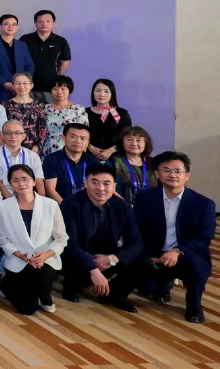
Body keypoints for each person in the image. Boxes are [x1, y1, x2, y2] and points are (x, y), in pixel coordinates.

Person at [134, 152, 216, 323]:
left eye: (178, 171)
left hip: (186, 253)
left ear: (187, 175)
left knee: (196, 266)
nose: (172, 175)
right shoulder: (144, 198)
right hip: (154, 251)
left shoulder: (203, 204)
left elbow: (204, 237)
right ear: (157, 174)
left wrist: (177, 251)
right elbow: (138, 230)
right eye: (167, 170)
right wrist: (147, 255)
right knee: (148, 288)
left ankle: (194, 306)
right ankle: (163, 284)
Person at [59, 163, 142, 312]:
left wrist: (113, 258)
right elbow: (69, 244)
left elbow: (135, 241)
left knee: (142, 259)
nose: (101, 188)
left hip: (107, 256)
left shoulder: (123, 206)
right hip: (79, 256)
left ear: (114, 186)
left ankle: (115, 294)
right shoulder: (71, 204)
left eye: (106, 183)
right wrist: (93, 269)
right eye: (95, 182)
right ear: (86, 183)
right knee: (73, 262)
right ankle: (72, 284)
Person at [0, 164, 68, 315]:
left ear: (34, 181)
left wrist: (46, 255)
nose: (21, 184)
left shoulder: (50, 205)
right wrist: (18, 254)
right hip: (18, 259)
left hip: (46, 259)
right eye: (15, 180)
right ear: (10, 184)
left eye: (25, 179)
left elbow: (61, 238)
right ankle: (6, 285)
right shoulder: (4, 206)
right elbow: (2, 238)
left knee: (41, 277)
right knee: (28, 309)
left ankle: (44, 294)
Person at [0, 121, 46, 200]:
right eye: (9, 133)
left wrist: (42, 201)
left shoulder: (33, 156)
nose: (13, 136)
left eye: (18, 133)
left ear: (24, 136)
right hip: (5, 199)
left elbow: (39, 182)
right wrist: (14, 203)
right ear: (3, 135)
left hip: (29, 198)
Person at [20, 10, 72, 102]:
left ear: (54, 23)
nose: (44, 24)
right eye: (40, 21)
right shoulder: (25, 39)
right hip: (27, 87)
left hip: (50, 87)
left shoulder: (61, 41)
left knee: (50, 110)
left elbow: (65, 62)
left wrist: (58, 79)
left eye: (48, 21)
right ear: (35, 23)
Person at [43, 123, 100, 201]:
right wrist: (66, 207)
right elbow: (50, 190)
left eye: (83, 138)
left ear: (88, 142)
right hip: (60, 206)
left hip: (88, 205)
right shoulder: (52, 159)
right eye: (73, 137)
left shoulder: (93, 161)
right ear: (64, 138)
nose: (78, 141)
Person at [0, 14, 35, 103]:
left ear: (17, 27)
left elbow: (30, 65)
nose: (10, 27)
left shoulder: (22, 45)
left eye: (14, 24)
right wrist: (3, 83)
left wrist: (24, 82)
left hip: (21, 91)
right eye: (7, 24)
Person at [107, 126, 156, 202]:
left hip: (151, 206)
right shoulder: (113, 162)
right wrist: (127, 206)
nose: (134, 143)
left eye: (138, 140)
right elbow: (108, 187)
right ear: (122, 142)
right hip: (121, 206)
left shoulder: (153, 163)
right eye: (129, 139)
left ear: (145, 143)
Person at [42, 75, 88, 155]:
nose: (59, 92)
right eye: (55, 89)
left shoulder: (78, 109)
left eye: (63, 89)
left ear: (69, 90)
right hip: (48, 150)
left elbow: (84, 133)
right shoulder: (44, 109)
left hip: (71, 151)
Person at [86, 78, 131, 160]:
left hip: (116, 158)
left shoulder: (121, 113)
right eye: (98, 91)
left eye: (106, 91)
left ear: (112, 94)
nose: (102, 94)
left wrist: (111, 151)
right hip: (89, 156)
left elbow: (128, 136)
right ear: (93, 93)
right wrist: (91, 148)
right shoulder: (84, 112)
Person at [4, 72, 47, 154]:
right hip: (10, 149)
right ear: (13, 86)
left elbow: (42, 129)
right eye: (18, 83)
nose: (21, 86)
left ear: (31, 85)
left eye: (25, 83)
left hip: (32, 150)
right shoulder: (5, 105)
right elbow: (2, 129)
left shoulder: (39, 106)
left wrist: (36, 147)